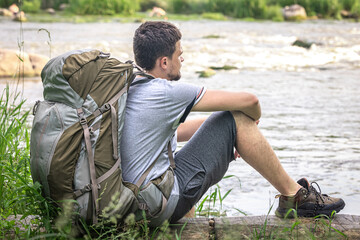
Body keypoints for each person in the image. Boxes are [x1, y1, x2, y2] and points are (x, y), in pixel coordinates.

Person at [120, 21, 345, 226]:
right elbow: (250, 100)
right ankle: (294, 197)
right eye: (180, 54)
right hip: (151, 207)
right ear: (165, 62)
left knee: (224, 128)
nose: (183, 59)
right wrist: (249, 122)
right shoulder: (166, 92)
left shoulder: (130, 88)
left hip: (129, 202)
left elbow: (175, 132)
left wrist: (230, 137)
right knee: (236, 117)